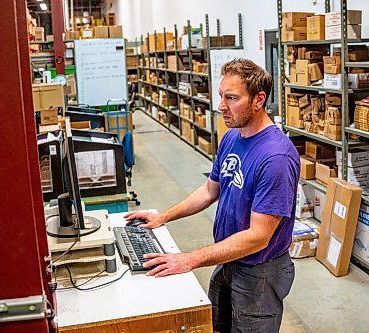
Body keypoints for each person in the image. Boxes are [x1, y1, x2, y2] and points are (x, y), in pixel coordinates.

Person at [125, 58, 300, 332]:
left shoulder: (276, 157)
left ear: (258, 100)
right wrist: (163, 217)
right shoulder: (232, 137)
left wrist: (190, 259)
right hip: (228, 258)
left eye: (231, 98)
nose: (220, 106)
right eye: (221, 95)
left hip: (259, 272)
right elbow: (210, 190)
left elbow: (258, 236)